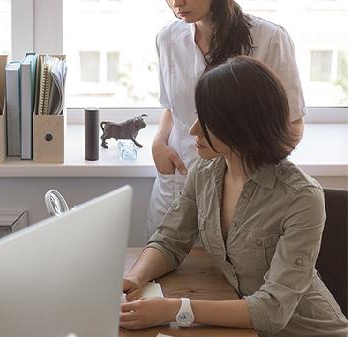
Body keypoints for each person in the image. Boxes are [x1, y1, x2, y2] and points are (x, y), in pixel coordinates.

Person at [121, 56, 348, 336]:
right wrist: (135, 277)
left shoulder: (301, 198)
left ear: (241, 124)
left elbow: (272, 310)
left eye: (207, 121)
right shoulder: (205, 172)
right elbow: (170, 241)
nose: (193, 130)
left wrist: (174, 309)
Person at [147, 0, 306, 238]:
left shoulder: (269, 38)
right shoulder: (167, 38)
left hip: (243, 190)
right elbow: (173, 108)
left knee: (233, 270)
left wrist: (239, 163)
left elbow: (292, 125)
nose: (176, 2)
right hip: (177, 182)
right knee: (163, 264)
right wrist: (159, 142)